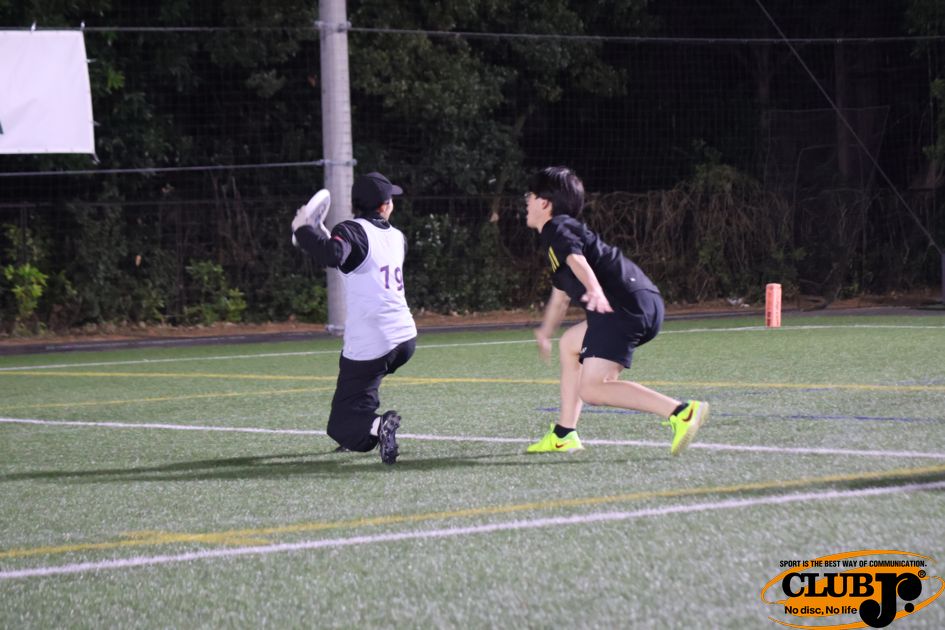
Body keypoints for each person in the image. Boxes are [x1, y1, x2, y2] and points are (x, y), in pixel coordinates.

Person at [523, 166, 709, 455]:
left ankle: (681, 412)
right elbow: (560, 297)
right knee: (570, 344)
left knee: (593, 388)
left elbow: (576, 259)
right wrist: (545, 332)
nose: (526, 201)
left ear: (545, 203)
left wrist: (594, 289)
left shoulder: (556, 228)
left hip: (621, 307)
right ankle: (563, 434)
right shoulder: (560, 238)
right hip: (640, 302)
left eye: (531, 195)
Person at [291, 172, 417, 465]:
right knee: (362, 389)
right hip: (405, 338)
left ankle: (376, 425)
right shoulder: (398, 238)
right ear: (384, 206)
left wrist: (302, 230)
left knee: (339, 424)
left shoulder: (351, 230)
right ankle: (361, 426)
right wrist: (319, 235)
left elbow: (334, 254)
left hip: (373, 341)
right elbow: (352, 256)